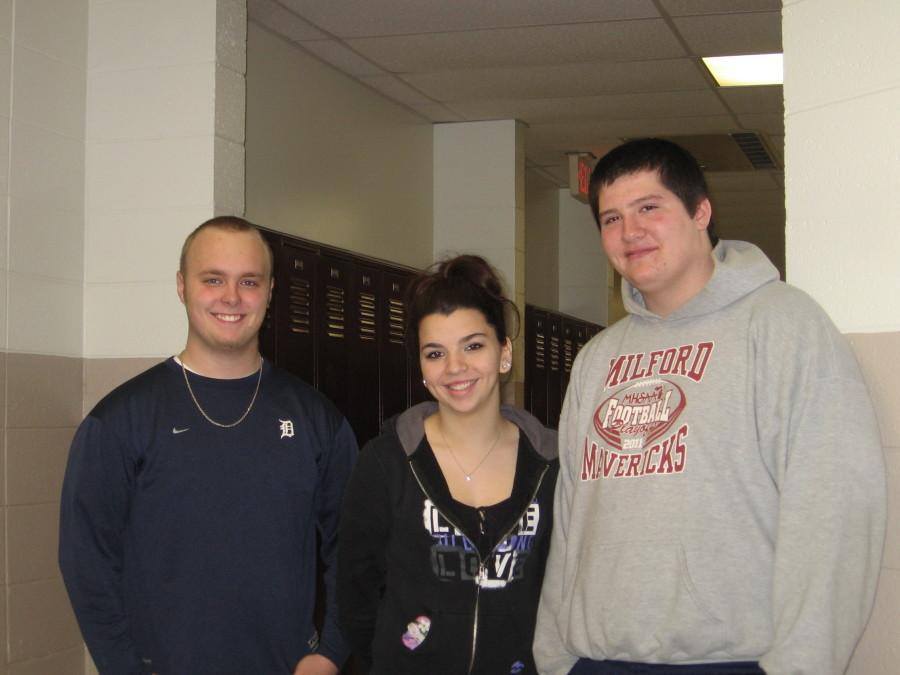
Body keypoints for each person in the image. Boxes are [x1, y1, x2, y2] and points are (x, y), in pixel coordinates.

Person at [533, 139, 886, 675]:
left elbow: (833, 510)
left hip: (730, 662)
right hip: (596, 661)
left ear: (700, 211)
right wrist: (556, 655)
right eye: (611, 218)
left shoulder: (783, 325)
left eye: (649, 207)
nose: (630, 232)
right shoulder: (598, 358)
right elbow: (573, 515)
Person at [59, 216, 357, 675]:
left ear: (271, 289)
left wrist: (332, 652)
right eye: (212, 279)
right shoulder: (120, 421)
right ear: (182, 286)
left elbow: (355, 547)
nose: (232, 297)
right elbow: (86, 563)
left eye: (249, 281)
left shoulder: (317, 419)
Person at [337, 255, 559, 674]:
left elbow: (563, 591)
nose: (455, 368)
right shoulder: (388, 463)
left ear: (504, 352)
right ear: (421, 367)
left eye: (473, 346)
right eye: (435, 353)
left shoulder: (551, 466)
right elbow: (355, 592)